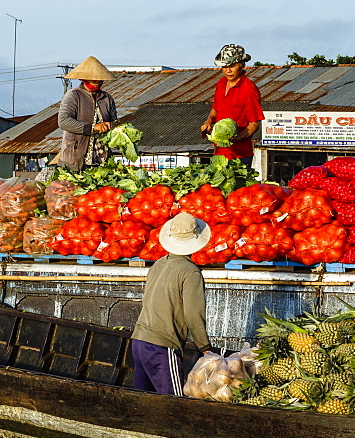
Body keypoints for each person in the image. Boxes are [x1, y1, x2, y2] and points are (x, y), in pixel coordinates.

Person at [131, 212, 213, 396]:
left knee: (144, 400)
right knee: (174, 401)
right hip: (161, 347)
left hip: (139, 341)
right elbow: (193, 314)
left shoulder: (158, 264)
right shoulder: (190, 272)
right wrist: (205, 348)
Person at [200, 44, 265, 168]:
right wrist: (209, 121)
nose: (228, 70)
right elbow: (215, 109)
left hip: (240, 155)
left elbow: (254, 124)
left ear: (242, 65)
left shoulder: (248, 88)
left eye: (232, 66)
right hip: (219, 153)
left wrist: (235, 139)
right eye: (225, 66)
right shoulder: (221, 83)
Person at [56, 56, 118, 172]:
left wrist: (112, 128)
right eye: (94, 80)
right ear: (85, 79)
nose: (98, 83)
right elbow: (64, 122)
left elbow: (114, 122)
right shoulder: (74, 95)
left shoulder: (107, 98)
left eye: (100, 80)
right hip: (75, 158)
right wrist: (93, 128)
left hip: (102, 159)